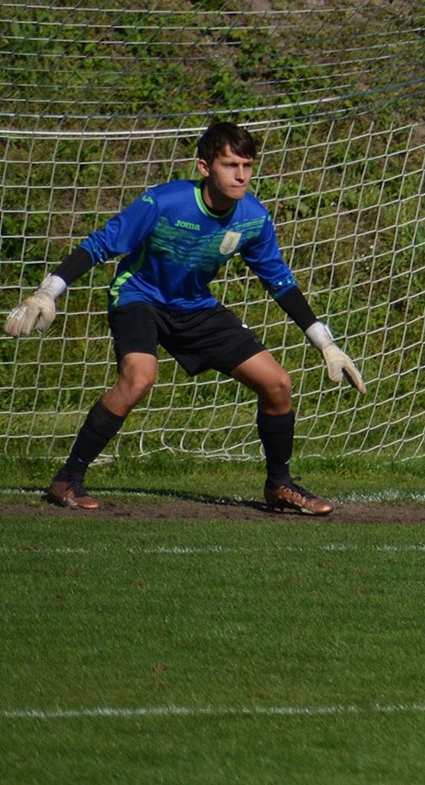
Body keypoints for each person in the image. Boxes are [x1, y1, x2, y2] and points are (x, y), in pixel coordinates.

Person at [5, 121, 366, 515]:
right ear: (205, 167)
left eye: (247, 165)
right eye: (230, 165)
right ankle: (68, 478)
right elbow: (101, 244)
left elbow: (279, 281)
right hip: (139, 298)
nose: (241, 175)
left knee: (277, 384)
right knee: (139, 378)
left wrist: (325, 343)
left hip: (195, 307)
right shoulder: (165, 202)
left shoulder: (252, 218)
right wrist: (48, 291)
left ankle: (279, 485)